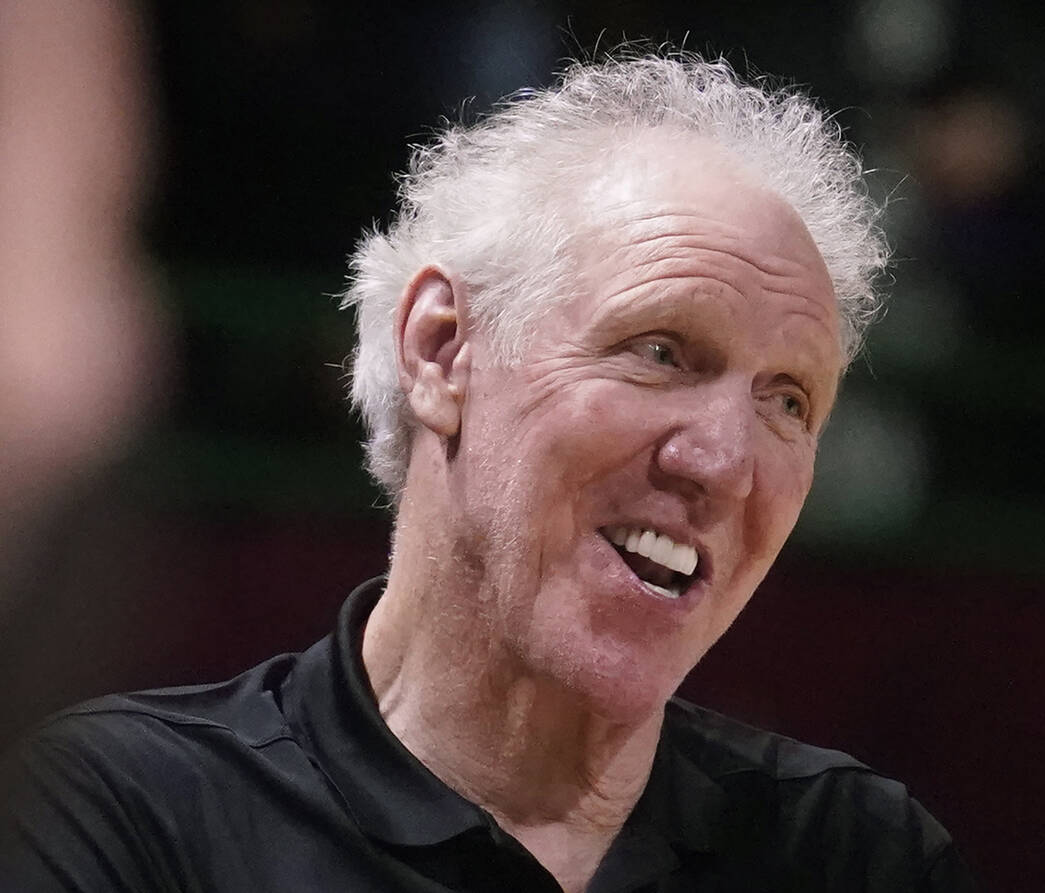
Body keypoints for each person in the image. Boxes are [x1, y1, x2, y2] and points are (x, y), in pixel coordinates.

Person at [0, 53, 978, 891]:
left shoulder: (857, 854)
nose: (725, 463)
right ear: (442, 350)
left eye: (789, 401)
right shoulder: (126, 815)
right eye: (661, 351)